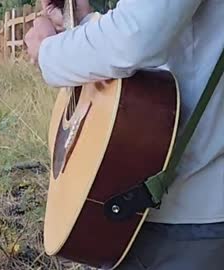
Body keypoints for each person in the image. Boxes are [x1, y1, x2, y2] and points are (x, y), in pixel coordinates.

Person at [24, 0, 224, 269]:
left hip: (185, 214)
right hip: (156, 204)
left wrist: (47, 51)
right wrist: (84, 24)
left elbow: (136, 36)